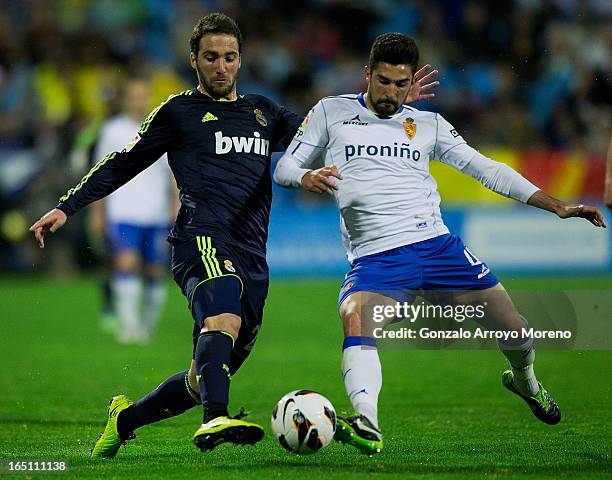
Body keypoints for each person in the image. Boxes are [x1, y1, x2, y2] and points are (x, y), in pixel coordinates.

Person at [274, 33, 606, 455]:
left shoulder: (426, 124)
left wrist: (555, 205)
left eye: (400, 84)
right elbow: (286, 163)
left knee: (518, 333)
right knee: (355, 315)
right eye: (383, 82)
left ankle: (528, 384)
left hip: (438, 248)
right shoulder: (330, 111)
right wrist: (303, 176)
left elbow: (486, 169)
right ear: (367, 75)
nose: (390, 93)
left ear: (411, 81)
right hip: (377, 258)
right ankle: (368, 424)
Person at [30, 13, 305, 457]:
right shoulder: (179, 112)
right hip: (200, 239)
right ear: (193, 59)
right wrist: (68, 206)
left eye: (229, 57)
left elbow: (321, 134)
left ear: (240, 60)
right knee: (223, 318)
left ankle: (125, 420)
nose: (221, 66)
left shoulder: (264, 112)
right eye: (211, 57)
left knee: (202, 375)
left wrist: (377, 109)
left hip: (252, 254)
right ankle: (216, 417)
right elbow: (124, 162)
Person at [89, 78, 179, 344]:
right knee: (126, 261)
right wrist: (97, 212)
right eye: (134, 96)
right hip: (123, 211)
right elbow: (100, 173)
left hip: (155, 213)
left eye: (143, 95)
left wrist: (177, 203)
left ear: (149, 98)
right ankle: (129, 327)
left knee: (154, 270)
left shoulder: (162, 129)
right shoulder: (112, 130)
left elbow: (174, 171)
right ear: (127, 99)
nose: (139, 100)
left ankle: (147, 329)